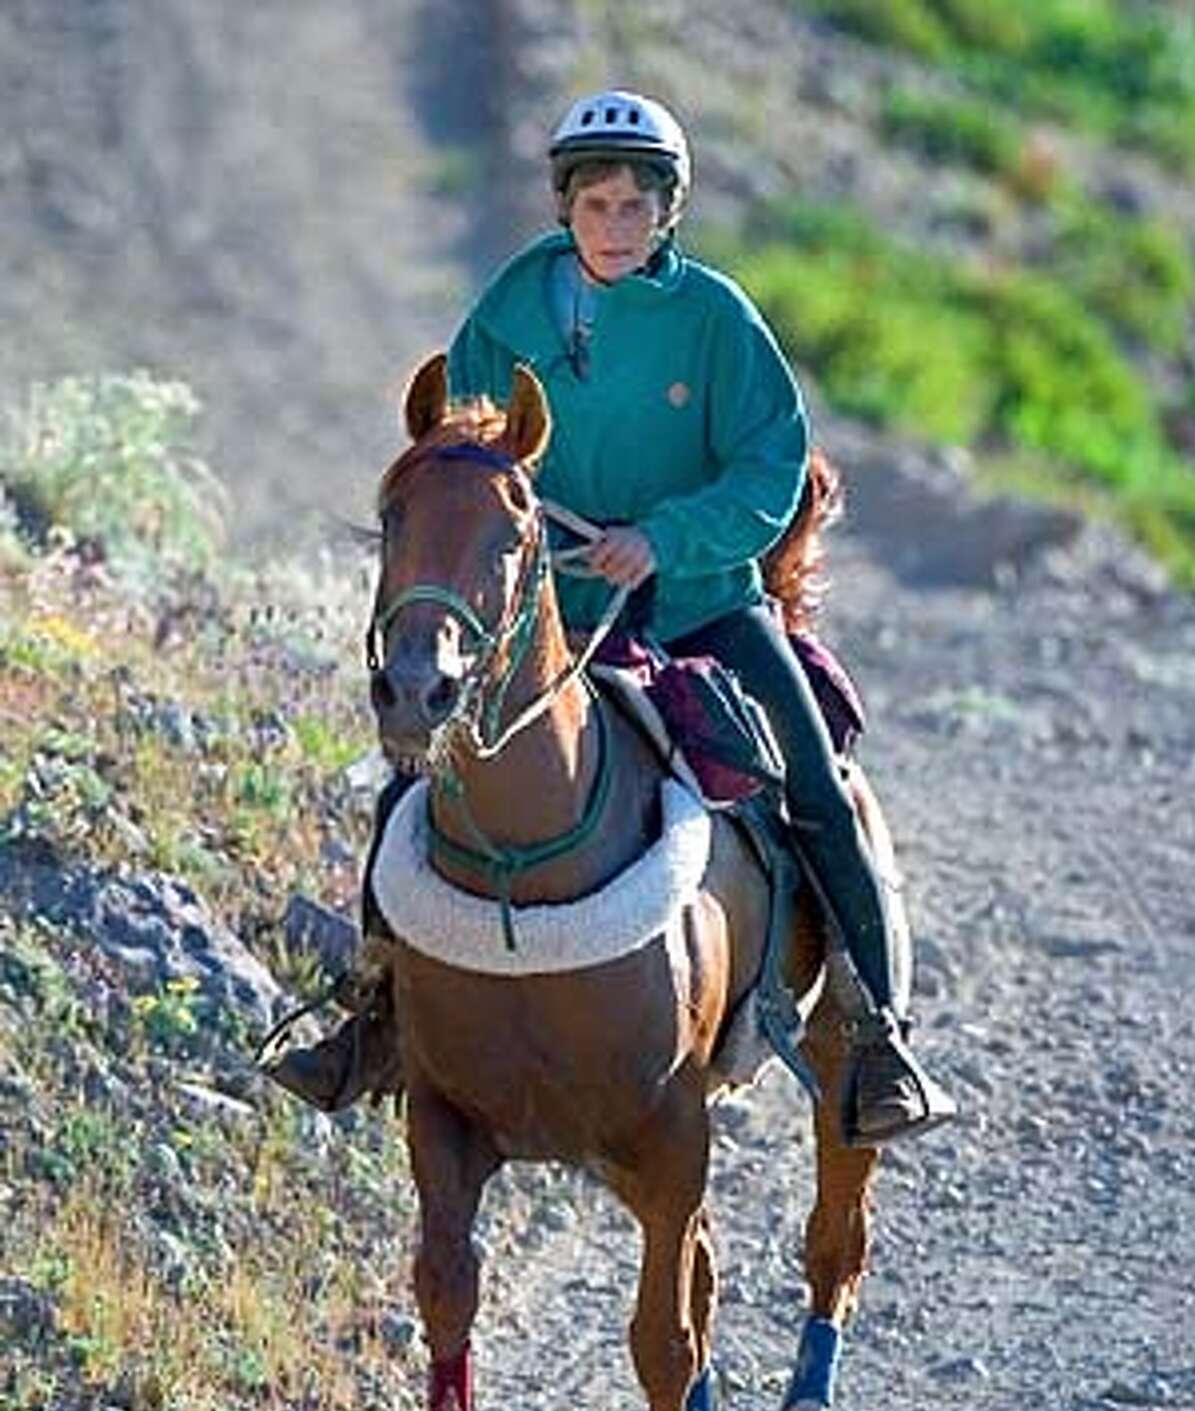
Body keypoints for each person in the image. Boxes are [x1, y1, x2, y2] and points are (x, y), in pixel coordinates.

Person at [267, 88, 955, 1148]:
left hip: (698, 606)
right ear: (566, 207)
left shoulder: (719, 319)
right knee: (412, 783)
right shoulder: (509, 310)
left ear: (668, 212)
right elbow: (466, 452)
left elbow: (771, 466)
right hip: (547, 620)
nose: (617, 224)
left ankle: (877, 1039)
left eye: (638, 204)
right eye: (597, 203)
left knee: (814, 783)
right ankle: (373, 1015)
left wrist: (664, 537)